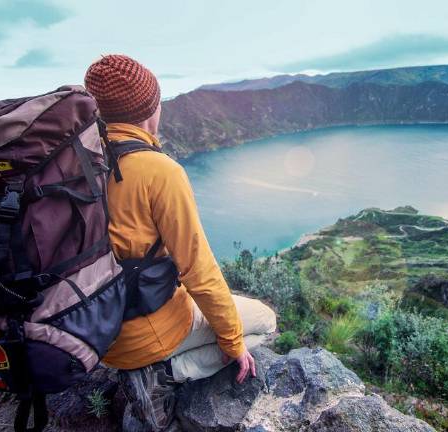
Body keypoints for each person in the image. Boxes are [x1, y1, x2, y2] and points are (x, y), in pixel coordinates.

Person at [84, 54, 277, 431]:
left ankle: (148, 365)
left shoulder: (78, 163)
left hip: (91, 331)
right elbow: (199, 272)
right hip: (146, 334)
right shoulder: (159, 171)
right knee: (265, 322)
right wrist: (233, 343)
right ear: (149, 109)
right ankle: (168, 372)